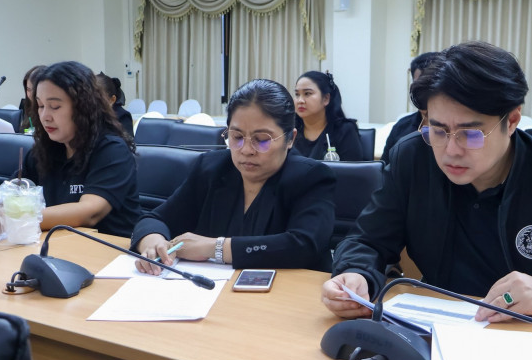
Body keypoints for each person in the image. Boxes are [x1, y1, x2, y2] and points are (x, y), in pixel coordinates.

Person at [322, 41, 532, 323]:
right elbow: (367, 240)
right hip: (438, 324)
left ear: (512, 121)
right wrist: (357, 273)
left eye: (470, 134)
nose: (451, 151)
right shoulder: (413, 159)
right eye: (438, 131)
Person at [132, 79, 335, 273]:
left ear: (290, 139)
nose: (246, 150)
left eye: (261, 140)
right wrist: (153, 239)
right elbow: (155, 219)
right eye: (237, 137)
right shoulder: (211, 168)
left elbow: (303, 245)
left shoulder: (311, 177)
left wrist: (216, 248)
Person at [0, 61, 141, 238]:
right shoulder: (45, 150)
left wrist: (9, 219)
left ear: (84, 107)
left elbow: (89, 212)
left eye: (54, 107)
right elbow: (7, 193)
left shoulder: (111, 150)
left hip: (107, 251)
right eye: (41, 106)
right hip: (56, 246)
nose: (45, 116)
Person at [380, 52, 440, 164]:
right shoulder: (401, 127)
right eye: (419, 85)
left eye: (430, 84)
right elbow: (384, 168)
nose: (425, 92)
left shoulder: (458, 130)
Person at [293, 70, 363, 161]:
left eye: (307, 93)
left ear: (326, 98)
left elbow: (352, 169)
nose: (300, 100)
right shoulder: (290, 129)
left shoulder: (344, 130)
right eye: (297, 94)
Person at [96, 72, 134, 137]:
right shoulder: (87, 115)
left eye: (98, 98)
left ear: (112, 100)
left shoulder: (123, 116)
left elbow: (127, 142)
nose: (93, 101)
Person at [18, 65, 47, 133]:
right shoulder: (27, 107)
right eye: (28, 89)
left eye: (34, 89)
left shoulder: (48, 111)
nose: (31, 94)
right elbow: (23, 131)